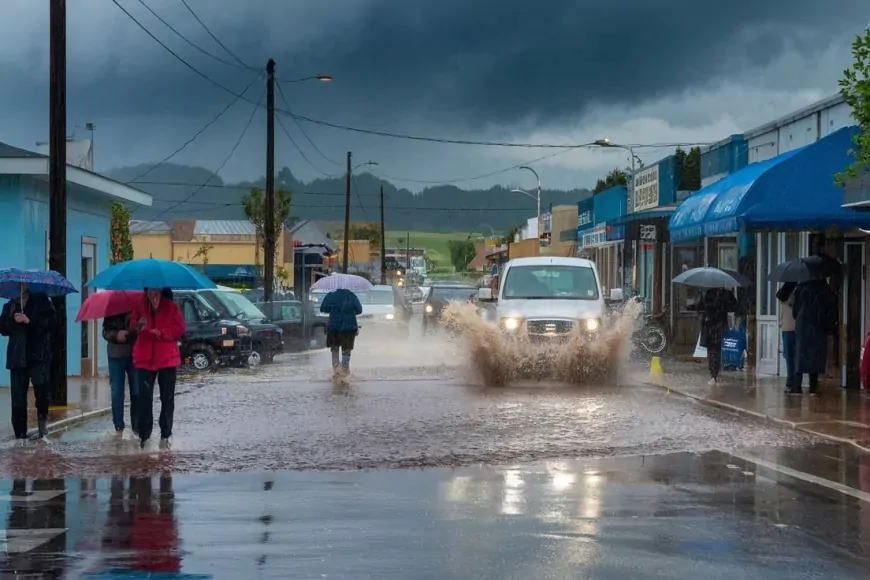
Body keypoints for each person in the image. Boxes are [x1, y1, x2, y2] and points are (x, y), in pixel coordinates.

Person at [130, 287, 185, 449]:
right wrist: (139, 326)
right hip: (144, 358)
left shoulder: (171, 307)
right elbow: (133, 325)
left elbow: (179, 329)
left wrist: (162, 333)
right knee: (144, 399)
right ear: (146, 292)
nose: (153, 296)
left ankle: (165, 435)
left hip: (167, 358)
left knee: (167, 399)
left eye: (156, 293)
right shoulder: (140, 306)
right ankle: (144, 436)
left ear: (161, 292)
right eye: (150, 293)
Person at [0, 288, 56, 439]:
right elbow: (3, 328)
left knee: (42, 393)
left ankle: (42, 422)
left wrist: (29, 321)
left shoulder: (42, 302)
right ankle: (20, 433)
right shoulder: (10, 306)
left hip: (38, 355)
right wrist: (13, 320)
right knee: (18, 398)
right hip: (17, 357)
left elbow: (50, 324)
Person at [792, 277, 838, 396]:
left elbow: (794, 310)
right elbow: (832, 306)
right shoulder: (824, 288)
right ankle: (813, 388)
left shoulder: (800, 287)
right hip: (818, 324)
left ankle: (797, 386)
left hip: (802, 325)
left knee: (800, 355)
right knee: (815, 355)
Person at [103, 311, 140, 435]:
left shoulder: (137, 307)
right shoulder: (112, 308)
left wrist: (133, 330)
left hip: (134, 354)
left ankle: (136, 427)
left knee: (136, 391)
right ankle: (118, 427)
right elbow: (105, 332)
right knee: (117, 392)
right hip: (115, 354)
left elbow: (142, 331)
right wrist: (116, 334)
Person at [319, 288, 362, 375]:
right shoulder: (351, 296)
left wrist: (333, 308)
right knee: (346, 349)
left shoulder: (331, 295)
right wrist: (350, 312)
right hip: (349, 328)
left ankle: (336, 370)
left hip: (334, 328)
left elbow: (323, 308)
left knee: (334, 349)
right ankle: (345, 370)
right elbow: (359, 310)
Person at [700, 287, 737, 385]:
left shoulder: (713, 294)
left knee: (713, 351)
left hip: (713, 326)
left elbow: (703, 307)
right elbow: (733, 307)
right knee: (716, 350)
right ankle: (714, 374)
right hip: (717, 326)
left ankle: (714, 374)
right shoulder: (724, 294)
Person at [777, 282, 801, 394]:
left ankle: (791, 383)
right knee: (796, 358)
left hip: (788, 328)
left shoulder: (785, 293)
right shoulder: (799, 292)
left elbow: (779, 294)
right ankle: (796, 384)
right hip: (797, 328)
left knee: (790, 358)